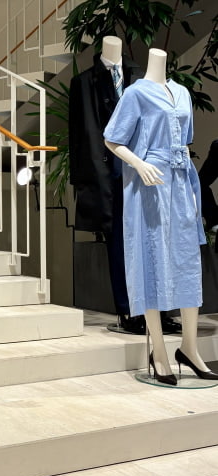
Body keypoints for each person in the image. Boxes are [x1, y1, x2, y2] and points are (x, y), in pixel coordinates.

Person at [103, 48, 217, 385]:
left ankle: (190, 348)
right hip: (149, 185)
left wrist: (192, 190)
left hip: (181, 183)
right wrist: (139, 164)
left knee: (187, 261)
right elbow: (112, 140)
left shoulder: (181, 92)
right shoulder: (135, 94)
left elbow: (185, 140)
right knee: (151, 260)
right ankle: (160, 353)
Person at [69, 37, 180, 335]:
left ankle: (158, 312)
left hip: (143, 172)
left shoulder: (140, 74)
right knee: (119, 246)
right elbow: (77, 135)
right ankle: (128, 311)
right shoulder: (83, 82)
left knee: (154, 243)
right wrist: (82, 182)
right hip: (107, 177)